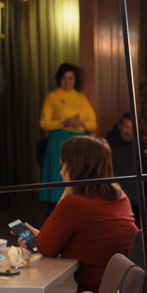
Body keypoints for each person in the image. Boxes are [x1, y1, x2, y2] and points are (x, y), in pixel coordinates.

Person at [22, 136, 138, 293]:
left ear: (75, 166)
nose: (60, 171)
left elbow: (46, 248)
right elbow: (84, 238)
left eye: (63, 164)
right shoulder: (120, 197)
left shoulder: (74, 204)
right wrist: (47, 236)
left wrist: (67, 191)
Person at [38, 62, 97, 205]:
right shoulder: (52, 96)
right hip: (59, 140)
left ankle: (78, 204)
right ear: (59, 79)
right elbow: (44, 123)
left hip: (78, 141)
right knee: (60, 174)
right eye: (64, 78)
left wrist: (82, 123)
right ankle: (56, 206)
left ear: (75, 80)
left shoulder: (81, 98)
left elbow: (93, 124)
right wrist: (62, 123)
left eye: (71, 78)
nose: (67, 81)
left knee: (78, 173)